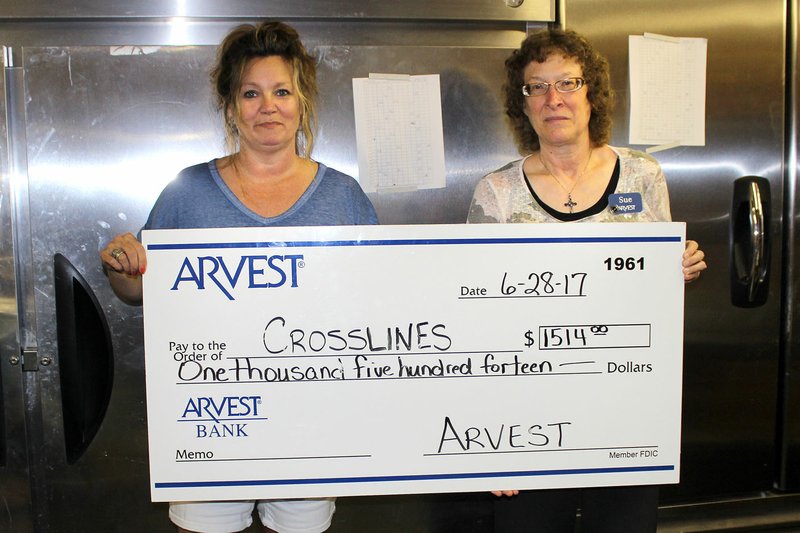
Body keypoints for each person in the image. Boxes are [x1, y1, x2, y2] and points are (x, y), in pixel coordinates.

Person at [100, 21, 378, 533]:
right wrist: (123, 264)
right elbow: (140, 291)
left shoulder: (344, 197)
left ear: (302, 103)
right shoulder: (186, 193)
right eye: (251, 93)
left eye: (281, 92)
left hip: (311, 426)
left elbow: (378, 300)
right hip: (213, 421)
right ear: (231, 106)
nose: (267, 106)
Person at [467, 28, 707, 532]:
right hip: (528, 422)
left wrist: (674, 272)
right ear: (523, 103)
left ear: (591, 93)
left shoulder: (644, 176)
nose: (554, 99)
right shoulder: (497, 192)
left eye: (568, 83)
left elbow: (650, 296)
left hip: (625, 413)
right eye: (537, 87)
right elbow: (478, 320)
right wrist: (492, 437)